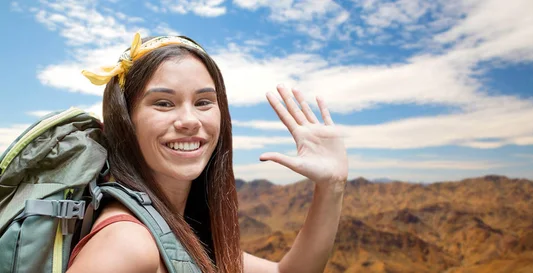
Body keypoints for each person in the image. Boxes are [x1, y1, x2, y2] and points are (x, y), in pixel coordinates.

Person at [66, 32, 348, 273]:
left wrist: (331, 186)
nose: (190, 120)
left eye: (203, 102)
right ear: (126, 119)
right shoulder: (128, 243)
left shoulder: (176, 228)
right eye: (163, 103)